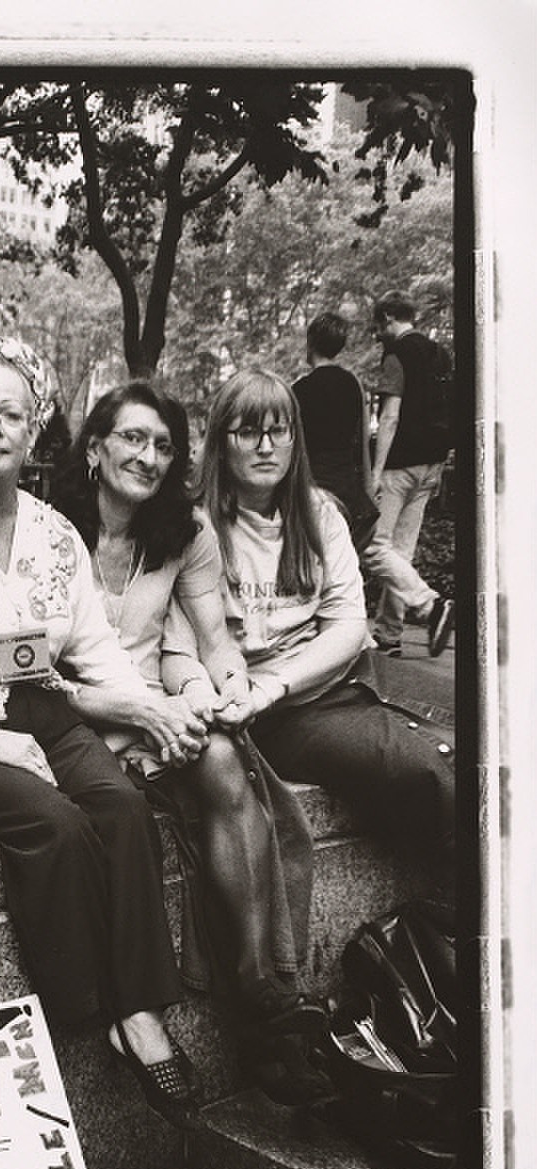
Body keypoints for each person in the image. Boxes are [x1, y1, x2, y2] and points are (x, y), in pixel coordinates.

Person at [0, 335, 211, 1127]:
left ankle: (142, 1014)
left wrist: (149, 709)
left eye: (10, 414)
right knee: (56, 827)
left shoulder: (57, 534)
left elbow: (92, 650)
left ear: (34, 428)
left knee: (121, 808)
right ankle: (87, 1014)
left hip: (43, 710)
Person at [54, 382, 333, 1107]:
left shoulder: (186, 532)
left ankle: (260, 988)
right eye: (133, 439)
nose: (148, 458)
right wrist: (146, 713)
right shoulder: (47, 530)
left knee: (223, 759)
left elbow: (215, 643)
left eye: (164, 445)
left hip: (158, 712)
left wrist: (227, 693)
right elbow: (25, 678)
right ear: (95, 447)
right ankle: (258, 1000)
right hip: (70, 719)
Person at [192, 368, 454, 876]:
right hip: (275, 717)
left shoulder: (320, 514)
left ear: (296, 438)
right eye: (248, 432)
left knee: (482, 729)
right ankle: (459, 914)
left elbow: (348, 626)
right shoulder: (197, 525)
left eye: (279, 430)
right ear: (222, 442)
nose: (266, 446)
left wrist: (277, 684)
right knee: (425, 769)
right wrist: (261, 692)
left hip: (340, 680)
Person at [294, 310, 449, 653]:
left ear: (310, 343)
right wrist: (367, 486)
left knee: (322, 564)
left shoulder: (298, 391)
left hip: (315, 490)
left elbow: (296, 449)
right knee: (365, 554)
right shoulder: (354, 387)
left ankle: (337, 638)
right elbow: (363, 440)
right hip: (349, 490)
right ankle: (413, 613)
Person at [369, 292, 455, 657]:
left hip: (399, 465)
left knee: (374, 547)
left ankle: (431, 605)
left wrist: (375, 471)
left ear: (388, 317)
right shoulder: (440, 354)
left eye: (377, 325)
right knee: (401, 552)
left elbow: (389, 417)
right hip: (432, 464)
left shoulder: (397, 354)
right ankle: (389, 635)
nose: (376, 333)